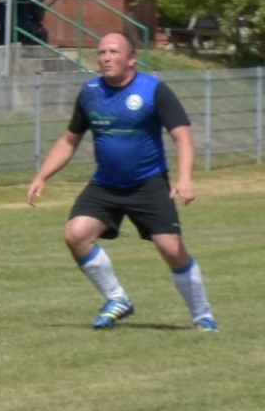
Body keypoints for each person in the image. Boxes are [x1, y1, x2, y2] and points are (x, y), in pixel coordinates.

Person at [26, 32, 217, 333]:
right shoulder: (90, 92)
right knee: (76, 234)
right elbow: (69, 140)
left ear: (131, 59)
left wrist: (184, 178)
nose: (105, 58)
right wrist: (41, 176)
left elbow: (182, 137)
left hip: (149, 184)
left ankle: (202, 315)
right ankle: (117, 299)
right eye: (102, 52)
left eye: (113, 52)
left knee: (172, 250)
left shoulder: (154, 91)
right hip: (106, 185)